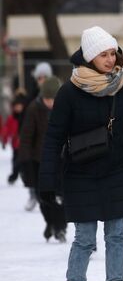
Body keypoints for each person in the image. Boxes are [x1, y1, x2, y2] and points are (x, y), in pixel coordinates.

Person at [39, 26, 123, 281]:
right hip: (81, 174)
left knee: (116, 237)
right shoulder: (69, 92)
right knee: (85, 240)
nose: (111, 59)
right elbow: (53, 138)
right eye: (104, 54)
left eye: (113, 53)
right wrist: (47, 180)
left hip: (115, 172)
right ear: (89, 57)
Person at [19, 76, 67, 242]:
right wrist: (25, 163)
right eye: (47, 99)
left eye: (53, 99)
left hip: (62, 159)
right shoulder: (34, 108)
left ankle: (60, 226)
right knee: (43, 197)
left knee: (60, 195)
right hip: (40, 160)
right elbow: (26, 137)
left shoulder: (66, 108)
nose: (49, 103)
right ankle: (50, 222)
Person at [2, 92, 27, 191]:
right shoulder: (12, 118)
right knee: (15, 162)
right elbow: (6, 129)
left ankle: (20, 176)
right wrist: (4, 140)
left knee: (20, 162)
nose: (18, 108)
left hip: (24, 145)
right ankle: (15, 176)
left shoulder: (26, 117)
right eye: (16, 106)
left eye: (19, 106)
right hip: (15, 145)